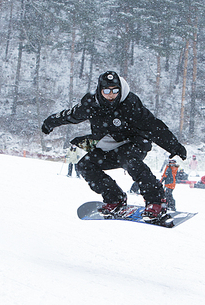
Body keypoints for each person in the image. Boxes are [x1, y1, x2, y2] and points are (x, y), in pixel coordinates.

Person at [42, 71, 187, 221]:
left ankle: (156, 201)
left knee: (129, 160)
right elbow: (71, 115)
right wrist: (49, 122)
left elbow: (152, 125)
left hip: (134, 143)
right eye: (106, 91)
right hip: (107, 147)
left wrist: (174, 146)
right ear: (99, 90)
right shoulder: (90, 103)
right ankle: (115, 197)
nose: (111, 95)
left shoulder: (130, 102)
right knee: (84, 165)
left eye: (115, 90)